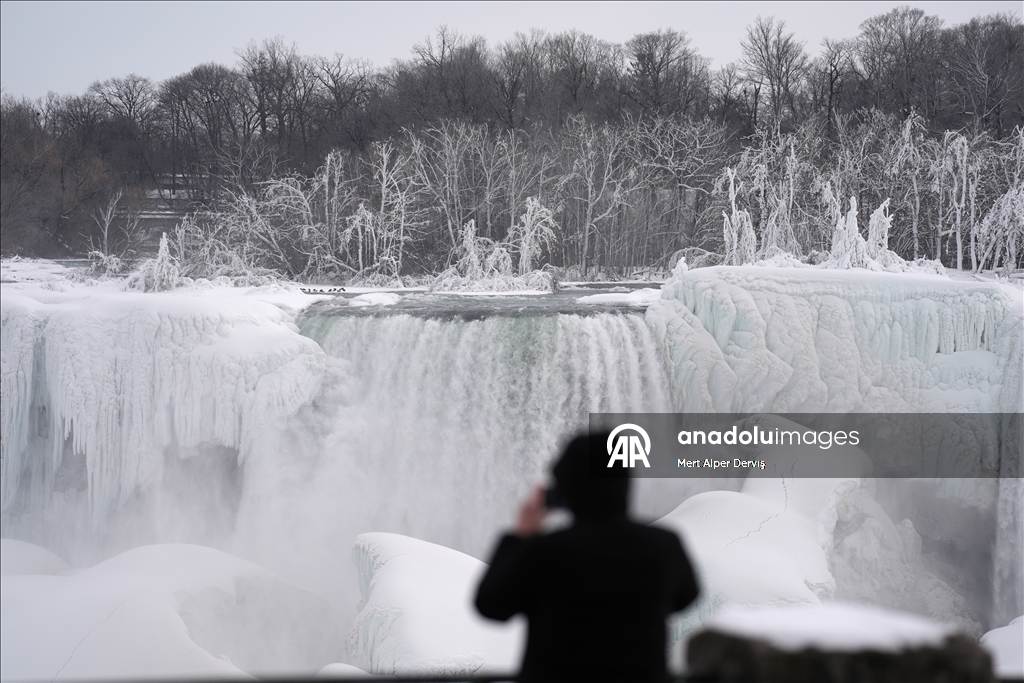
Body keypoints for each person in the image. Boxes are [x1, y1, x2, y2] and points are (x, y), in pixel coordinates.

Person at [475, 432, 700, 682]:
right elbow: (687, 596)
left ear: (566, 488)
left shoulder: (548, 551)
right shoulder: (663, 546)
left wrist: (521, 534)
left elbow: (490, 604)